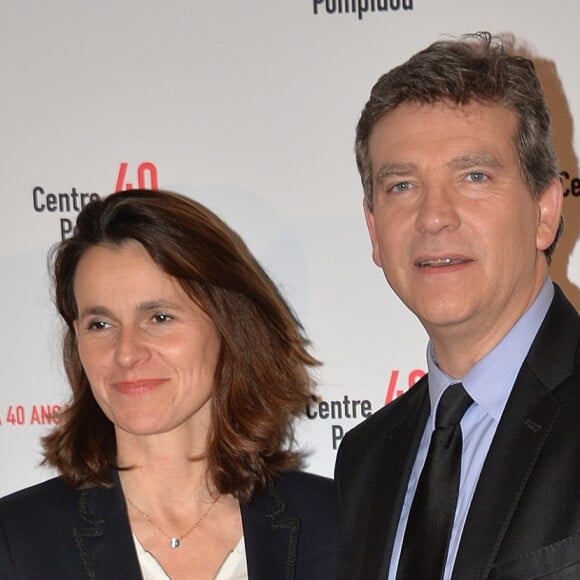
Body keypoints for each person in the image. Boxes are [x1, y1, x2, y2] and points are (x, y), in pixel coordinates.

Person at [335, 32, 580, 579]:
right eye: (401, 185)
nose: (434, 217)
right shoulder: (365, 458)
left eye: (473, 177)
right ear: (374, 231)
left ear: (544, 209)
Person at [0, 189, 336, 580]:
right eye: (100, 324)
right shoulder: (17, 542)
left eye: (159, 318)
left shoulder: (337, 524)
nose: (126, 353)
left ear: (229, 324)